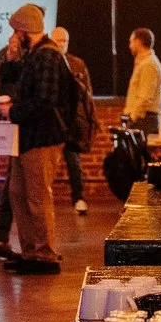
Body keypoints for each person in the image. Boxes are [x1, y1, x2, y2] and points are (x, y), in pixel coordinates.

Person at [1, 3, 74, 274]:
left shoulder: (47, 56)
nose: (13, 36)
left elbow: (46, 100)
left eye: (15, 31)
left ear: (23, 30)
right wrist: (10, 56)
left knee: (37, 196)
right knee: (18, 193)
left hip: (43, 136)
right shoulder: (33, 54)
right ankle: (30, 251)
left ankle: (45, 254)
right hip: (28, 135)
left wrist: (13, 111)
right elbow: (12, 78)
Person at [0, 23, 33, 260]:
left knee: (13, 183)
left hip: (27, 125)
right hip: (19, 127)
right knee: (17, 185)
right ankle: (16, 243)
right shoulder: (7, 55)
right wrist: (6, 110)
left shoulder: (33, 53)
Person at [52, 26, 95, 215]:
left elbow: (87, 94)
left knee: (73, 162)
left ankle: (79, 198)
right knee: (46, 163)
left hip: (70, 122)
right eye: (58, 41)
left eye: (64, 41)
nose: (61, 45)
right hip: (52, 120)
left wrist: (86, 119)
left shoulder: (77, 64)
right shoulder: (47, 62)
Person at [125, 27, 161, 134]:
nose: (130, 46)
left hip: (144, 120)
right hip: (143, 119)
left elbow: (145, 97)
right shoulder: (145, 63)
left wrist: (132, 117)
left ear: (138, 42)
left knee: (140, 150)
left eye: (131, 42)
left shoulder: (148, 64)